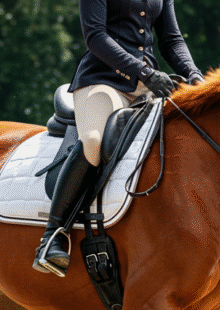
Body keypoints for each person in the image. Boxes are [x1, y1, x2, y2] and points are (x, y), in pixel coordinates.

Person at [33, 0, 206, 276]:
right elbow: (96, 37)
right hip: (102, 81)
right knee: (93, 141)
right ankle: (53, 235)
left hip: (150, 86)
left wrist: (194, 74)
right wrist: (145, 72)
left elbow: (172, 40)